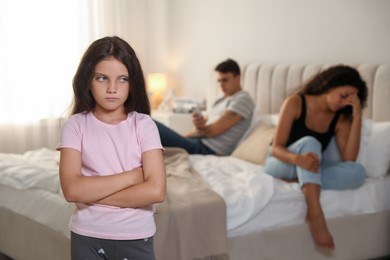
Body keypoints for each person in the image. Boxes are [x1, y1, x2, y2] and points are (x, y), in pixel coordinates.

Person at [57, 36, 166, 260]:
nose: (112, 89)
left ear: (132, 82)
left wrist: (90, 193)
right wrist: (134, 176)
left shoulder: (144, 125)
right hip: (86, 236)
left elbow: (156, 191)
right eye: (102, 78)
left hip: (137, 236)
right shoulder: (75, 126)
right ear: (88, 80)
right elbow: (71, 190)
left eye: (123, 79)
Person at [263, 65, 368, 250]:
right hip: (280, 162)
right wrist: (298, 160)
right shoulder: (295, 102)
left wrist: (357, 115)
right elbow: (277, 148)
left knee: (358, 172)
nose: (344, 103)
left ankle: (300, 179)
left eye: (350, 101)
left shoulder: (341, 118)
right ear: (330, 85)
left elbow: (349, 158)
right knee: (311, 143)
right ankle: (315, 214)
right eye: (344, 95)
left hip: (308, 167)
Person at [155, 58, 254, 155]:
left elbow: (212, 131)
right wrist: (199, 124)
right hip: (198, 141)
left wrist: (183, 137)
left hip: (207, 148)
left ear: (238, 78)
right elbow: (205, 128)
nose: (221, 85)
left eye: (225, 80)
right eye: (219, 81)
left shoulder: (243, 99)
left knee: (150, 124)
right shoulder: (221, 100)